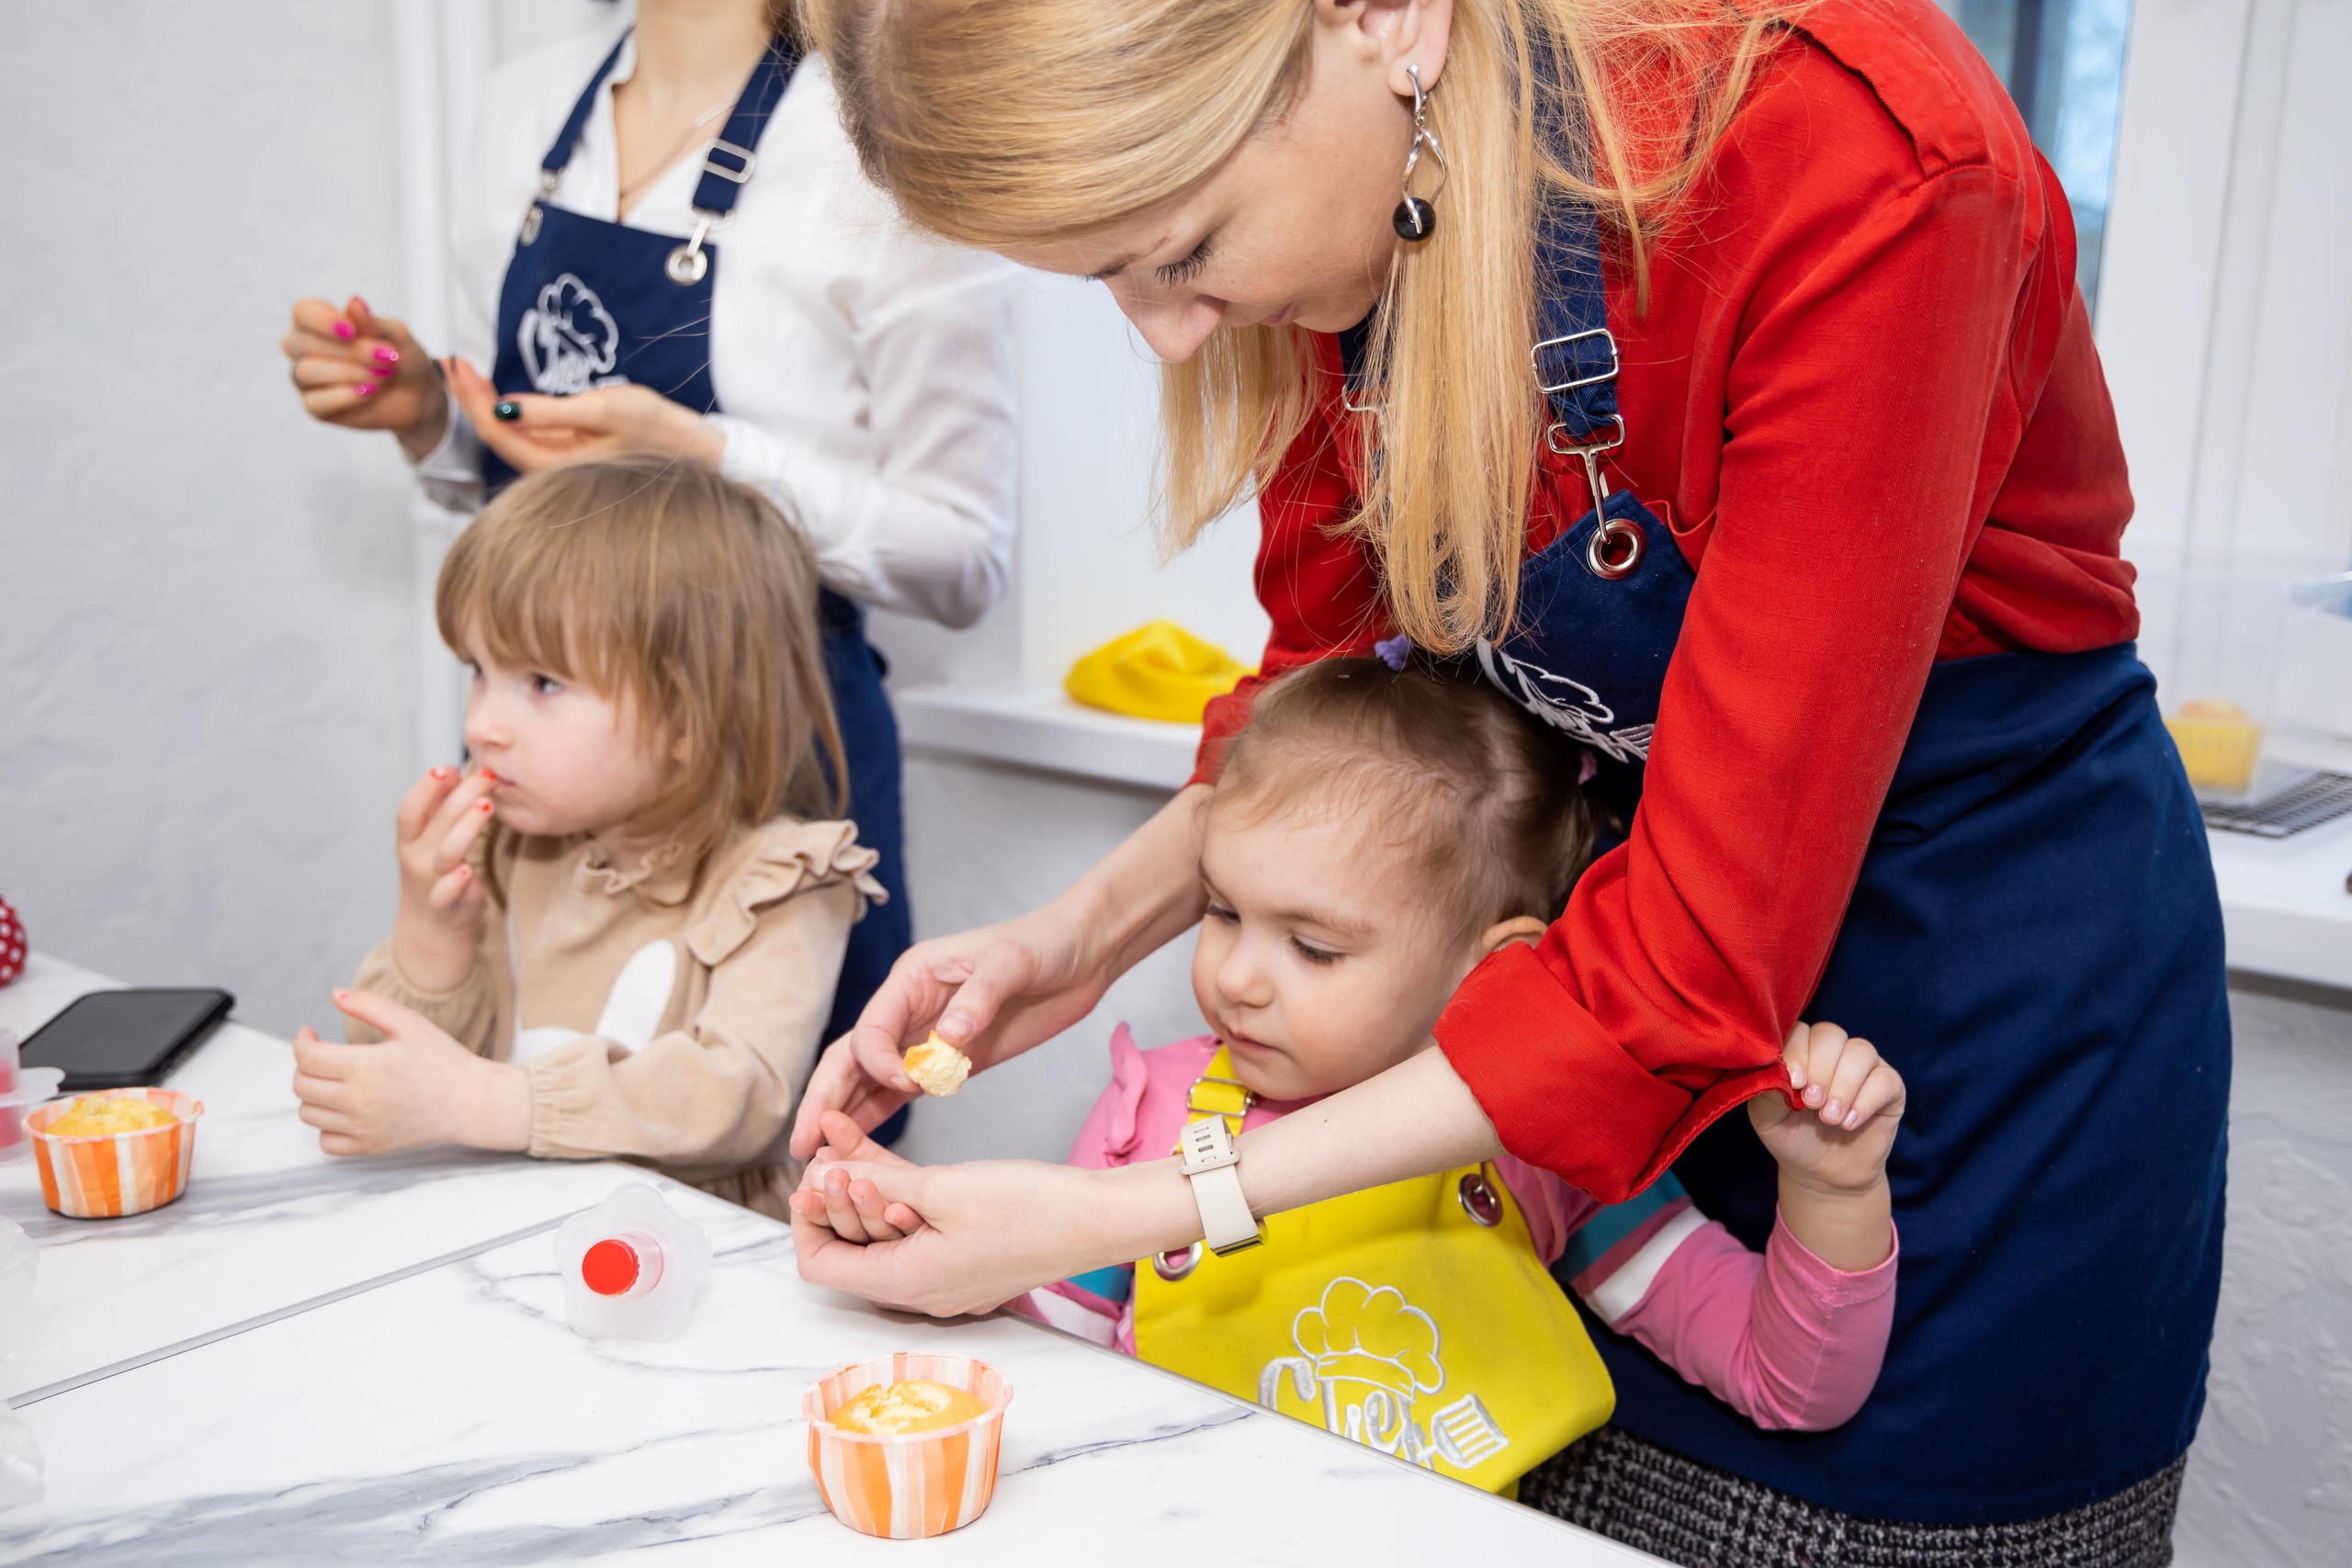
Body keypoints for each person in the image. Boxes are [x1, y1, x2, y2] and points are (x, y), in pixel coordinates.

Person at [780, 0, 2227, 1561]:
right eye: (1106, 280)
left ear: (1381, 20)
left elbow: (1696, 957)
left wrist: (1128, 1217)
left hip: (1956, 1041)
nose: (1173, 332)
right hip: (1565, 1033)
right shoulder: (1391, 198)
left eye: (1185, 245)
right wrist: (1070, 941)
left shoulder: (1857, 163)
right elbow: (1334, 694)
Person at [798, 657, 1905, 1496]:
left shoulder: (1544, 1152)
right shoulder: (1145, 1121)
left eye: (1314, 947)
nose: (1236, 976)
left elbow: (1788, 1384)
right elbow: (1044, 1385)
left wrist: (1832, 1191)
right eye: (1223, 910)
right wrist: (911, 1245)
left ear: (1492, 973)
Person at [278, 0, 1017, 1063]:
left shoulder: (898, 140)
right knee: (506, 1064)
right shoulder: (520, 104)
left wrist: (710, 455)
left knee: (784, 1143)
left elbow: (965, 558)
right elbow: (536, 474)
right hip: (556, 722)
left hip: (765, 738)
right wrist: (433, 420)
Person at [290, 458, 882, 1218]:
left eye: (542, 683)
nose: (481, 726)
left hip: (696, 1257)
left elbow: (739, 1097)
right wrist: (429, 931)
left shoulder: (782, 880)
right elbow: (402, 1078)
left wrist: (492, 1100)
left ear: (687, 715)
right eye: (479, 670)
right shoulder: (506, 842)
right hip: (504, 1228)